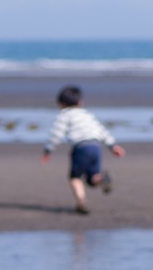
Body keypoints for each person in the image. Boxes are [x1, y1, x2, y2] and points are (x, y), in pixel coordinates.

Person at [41, 85, 125, 215]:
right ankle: (102, 179)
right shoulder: (87, 115)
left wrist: (48, 150)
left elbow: (56, 134)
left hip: (80, 148)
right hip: (96, 147)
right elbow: (101, 131)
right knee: (92, 178)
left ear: (61, 104)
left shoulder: (65, 115)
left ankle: (81, 202)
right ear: (80, 102)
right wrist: (112, 145)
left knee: (75, 177)